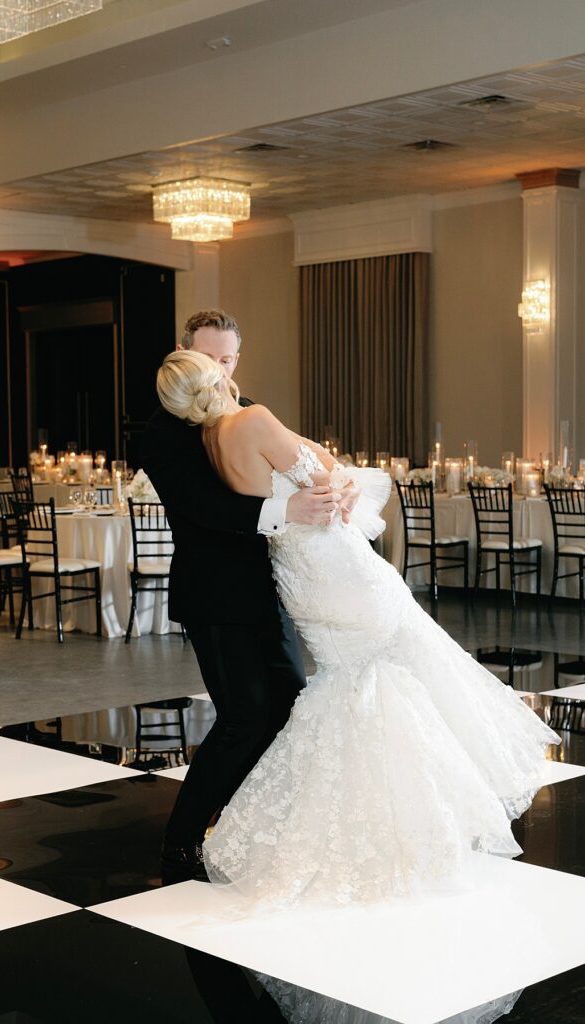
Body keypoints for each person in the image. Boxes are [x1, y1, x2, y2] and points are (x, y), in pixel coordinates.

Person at [156, 348, 560, 907]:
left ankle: (353, 820)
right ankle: (416, 818)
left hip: (299, 576)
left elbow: (306, 473)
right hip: (336, 567)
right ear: (219, 375)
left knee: (349, 686)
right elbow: (321, 467)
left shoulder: (210, 438)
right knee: (400, 669)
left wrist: (330, 480)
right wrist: (339, 481)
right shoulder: (252, 418)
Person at [142, 310, 356, 884]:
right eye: (209, 358)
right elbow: (199, 508)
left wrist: (342, 480)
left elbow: (300, 454)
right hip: (213, 593)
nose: (219, 371)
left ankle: (247, 827)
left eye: (228, 360)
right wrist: (283, 510)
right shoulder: (159, 427)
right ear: (183, 352)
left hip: (271, 588)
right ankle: (180, 840)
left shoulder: (243, 406)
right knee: (243, 718)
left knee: (290, 707)